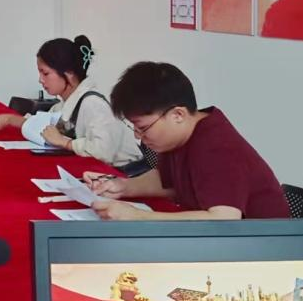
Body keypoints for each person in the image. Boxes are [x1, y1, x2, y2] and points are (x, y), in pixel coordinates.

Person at [84, 61, 289, 220]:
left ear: (178, 115)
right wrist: (123, 186)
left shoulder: (217, 147)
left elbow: (223, 219)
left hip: (263, 249)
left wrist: (137, 217)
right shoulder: (179, 137)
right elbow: (167, 181)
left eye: (143, 128)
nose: (138, 136)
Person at [0, 35, 141, 167]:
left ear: (69, 73)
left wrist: (65, 142)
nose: (40, 80)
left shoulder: (93, 105)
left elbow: (103, 152)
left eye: (45, 73)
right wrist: (10, 120)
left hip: (126, 174)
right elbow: (42, 126)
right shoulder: (64, 104)